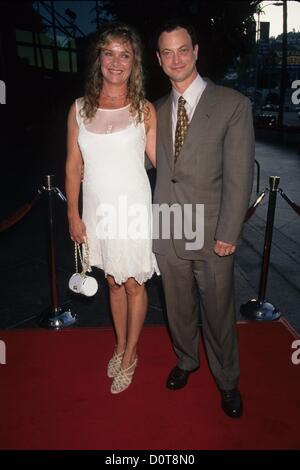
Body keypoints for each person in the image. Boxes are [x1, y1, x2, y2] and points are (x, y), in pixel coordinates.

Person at [153, 20, 254, 418]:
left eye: (182, 49)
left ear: (196, 51)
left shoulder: (232, 104)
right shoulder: (155, 111)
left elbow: (239, 173)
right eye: (167, 52)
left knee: (218, 311)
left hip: (213, 231)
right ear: (158, 60)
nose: (175, 58)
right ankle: (186, 361)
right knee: (177, 309)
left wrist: (229, 230)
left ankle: (227, 380)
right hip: (168, 227)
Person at [65, 22, 159, 394]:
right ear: (99, 58)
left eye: (125, 54)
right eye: (109, 53)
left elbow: (162, 164)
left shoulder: (144, 110)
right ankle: (119, 344)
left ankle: (130, 354)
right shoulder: (79, 109)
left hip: (133, 210)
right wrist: (73, 213)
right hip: (97, 211)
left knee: (133, 282)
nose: (116, 62)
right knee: (111, 282)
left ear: (134, 62)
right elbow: (73, 165)